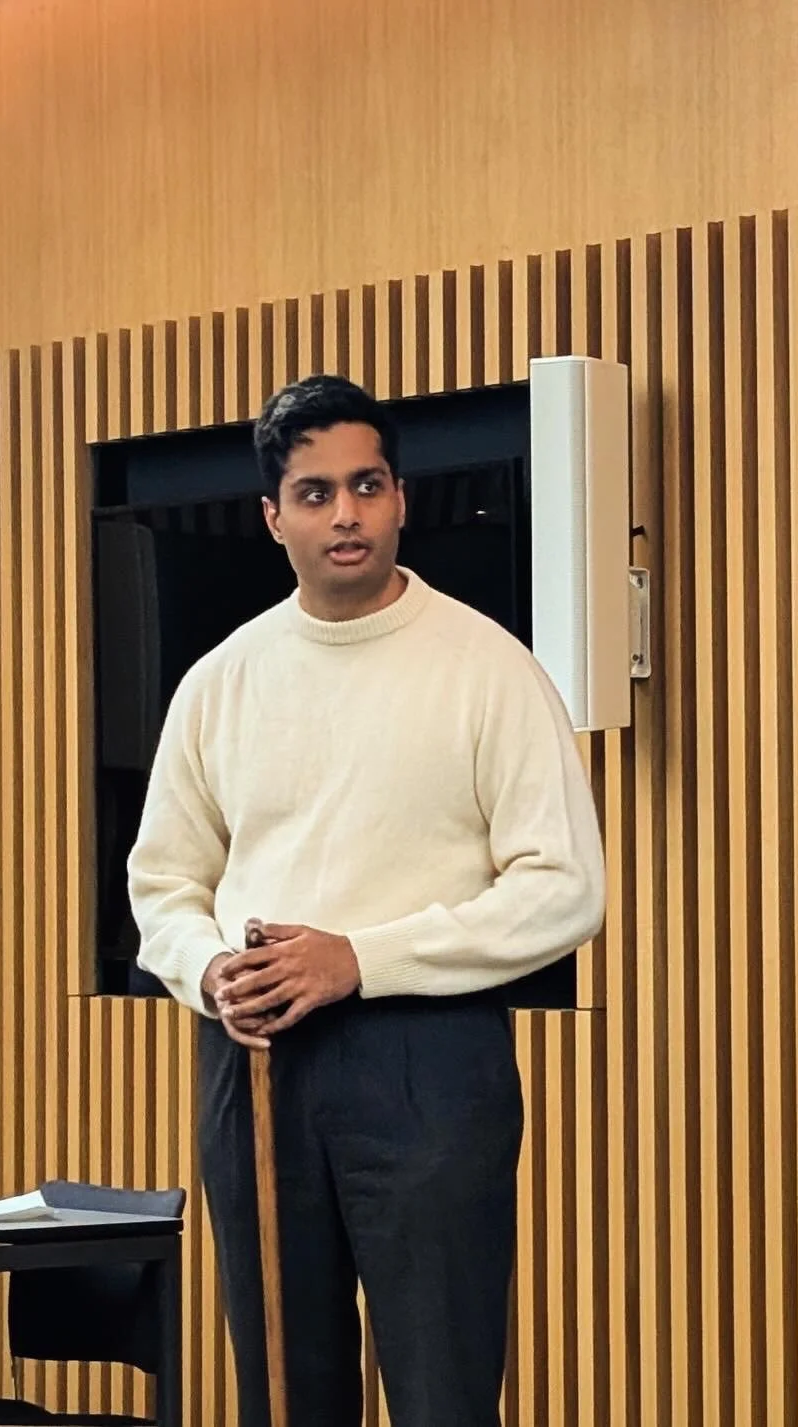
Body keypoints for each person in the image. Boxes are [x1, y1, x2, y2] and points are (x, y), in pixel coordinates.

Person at [127, 374, 606, 1427]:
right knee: (285, 1389)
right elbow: (162, 881)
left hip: (428, 1058)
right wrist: (207, 969)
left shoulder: (488, 667)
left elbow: (566, 887)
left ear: (398, 498)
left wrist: (361, 957)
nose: (344, 513)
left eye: (366, 485)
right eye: (314, 492)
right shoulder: (220, 680)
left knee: (441, 1385)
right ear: (273, 515)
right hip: (253, 1058)